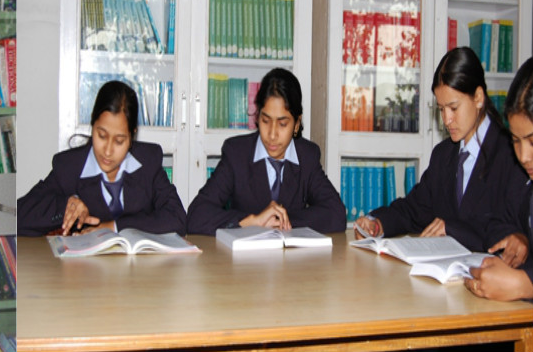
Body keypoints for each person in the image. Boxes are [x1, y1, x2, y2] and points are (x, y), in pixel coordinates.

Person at [354, 47, 528, 258]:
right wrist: (378, 223)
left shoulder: (514, 154)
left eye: (453, 108)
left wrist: (452, 229)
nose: (446, 119)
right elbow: (415, 209)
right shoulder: (443, 155)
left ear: (478, 97)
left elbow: (512, 231)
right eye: (441, 109)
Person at [17, 80, 187, 236]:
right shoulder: (70, 167)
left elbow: (177, 218)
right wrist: (67, 205)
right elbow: (21, 216)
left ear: (132, 136)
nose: (108, 150)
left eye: (119, 141)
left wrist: (114, 226)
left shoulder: (148, 161)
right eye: (102, 136)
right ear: (93, 125)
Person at [187, 68, 345, 235]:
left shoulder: (307, 156)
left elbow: (336, 214)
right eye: (265, 121)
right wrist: (251, 221)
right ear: (257, 117)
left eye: (282, 124)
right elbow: (196, 215)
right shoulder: (237, 154)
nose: (272, 134)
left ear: (296, 124)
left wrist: (281, 220)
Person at [465, 57, 533, 302]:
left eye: (532, 141)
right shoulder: (521, 177)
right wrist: (518, 237)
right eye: (516, 141)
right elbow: (497, 221)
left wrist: (525, 285)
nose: (524, 156)